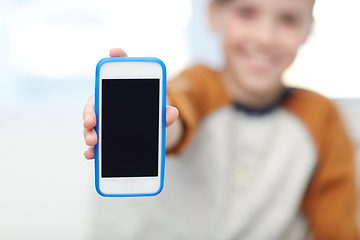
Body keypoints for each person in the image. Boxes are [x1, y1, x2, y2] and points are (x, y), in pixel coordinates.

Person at [83, 0, 359, 239]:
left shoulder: (322, 117)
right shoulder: (198, 83)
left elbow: (336, 226)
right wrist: (152, 124)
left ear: (308, 29)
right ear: (214, 15)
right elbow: (177, 112)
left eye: (288, 19)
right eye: (246, 12)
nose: (265, 37)